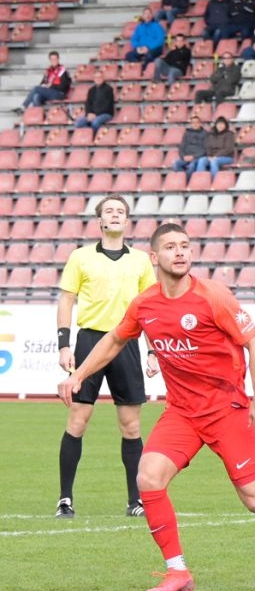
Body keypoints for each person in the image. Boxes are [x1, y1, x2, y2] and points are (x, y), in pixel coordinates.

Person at [58, 221, 255, 591]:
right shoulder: (145, 304)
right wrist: (78, 375)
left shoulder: (213, 296)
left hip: (227, 410)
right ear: (154, 257)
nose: (180, 252)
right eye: (170, 247)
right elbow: (116, 340)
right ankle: (178, 572)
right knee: (148, 477)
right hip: (182, 413)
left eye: (185, 245)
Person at [53, 196, 153, 519]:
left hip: (126, 342)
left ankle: (135, 500)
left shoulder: (140, 261)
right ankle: (65, 499)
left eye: (120, 211)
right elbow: (67, 300)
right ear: (99, 221)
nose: (114, 215)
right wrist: (64, 344)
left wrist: (152, 350)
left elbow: (151, 308)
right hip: (90, 341)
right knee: (78, 420)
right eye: (108, 211)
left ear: (127, 221)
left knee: (131, 425)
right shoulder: (80, 257)